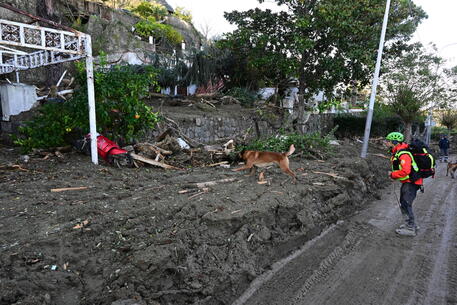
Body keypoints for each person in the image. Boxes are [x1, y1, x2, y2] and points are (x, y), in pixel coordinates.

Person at [385, 132, 423, 237]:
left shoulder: (404, 154)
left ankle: (410, 228)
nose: (386, 143)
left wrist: (393, 175)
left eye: (388, 141)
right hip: (409, 182)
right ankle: (409, 224)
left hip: (411, 182)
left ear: (394, 142)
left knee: (406, 203)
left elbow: (406, 171)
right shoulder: (398, 152)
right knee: (404, 202)